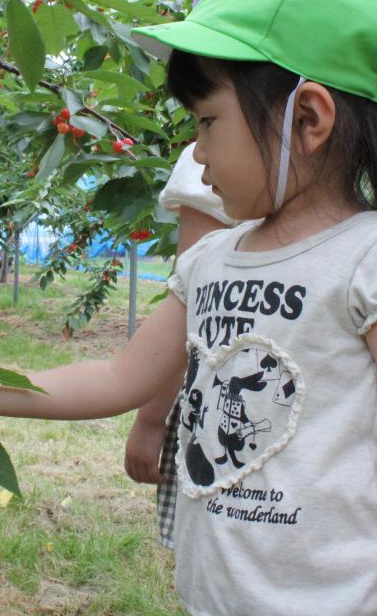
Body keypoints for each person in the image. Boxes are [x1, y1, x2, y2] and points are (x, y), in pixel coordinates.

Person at [0, 0, 377, 615]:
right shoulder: (210, 261)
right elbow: (121, 378)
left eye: (207, 121)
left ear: (308, 120)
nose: (196, 150)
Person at [123, 144, 234, 550]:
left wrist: (150, 421)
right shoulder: (215, 157)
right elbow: (197, 304)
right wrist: (152, 418)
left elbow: (197, 317)